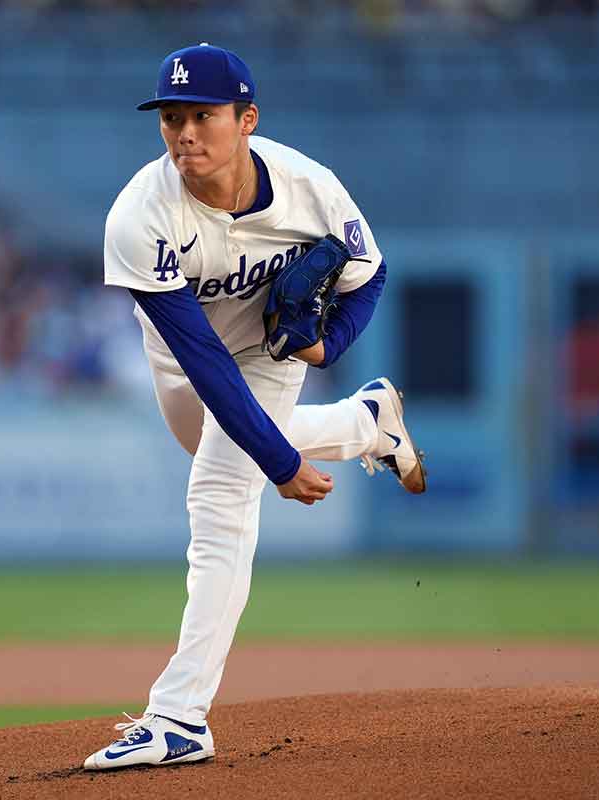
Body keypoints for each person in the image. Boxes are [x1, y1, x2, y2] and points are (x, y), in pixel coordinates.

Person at [82, 43, 426, 771]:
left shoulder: (309, 187)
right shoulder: (140, 216)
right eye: (171, 118)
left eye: (203, 116)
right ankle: (369, 424)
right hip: (186, 359)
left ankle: (179, 717)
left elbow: (369, 274)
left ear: (247, 120)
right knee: (216, 443)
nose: (185, 134)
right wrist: (281, 460)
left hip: (270, 354)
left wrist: (327, 350)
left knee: (215, 496)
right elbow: (202, 359)